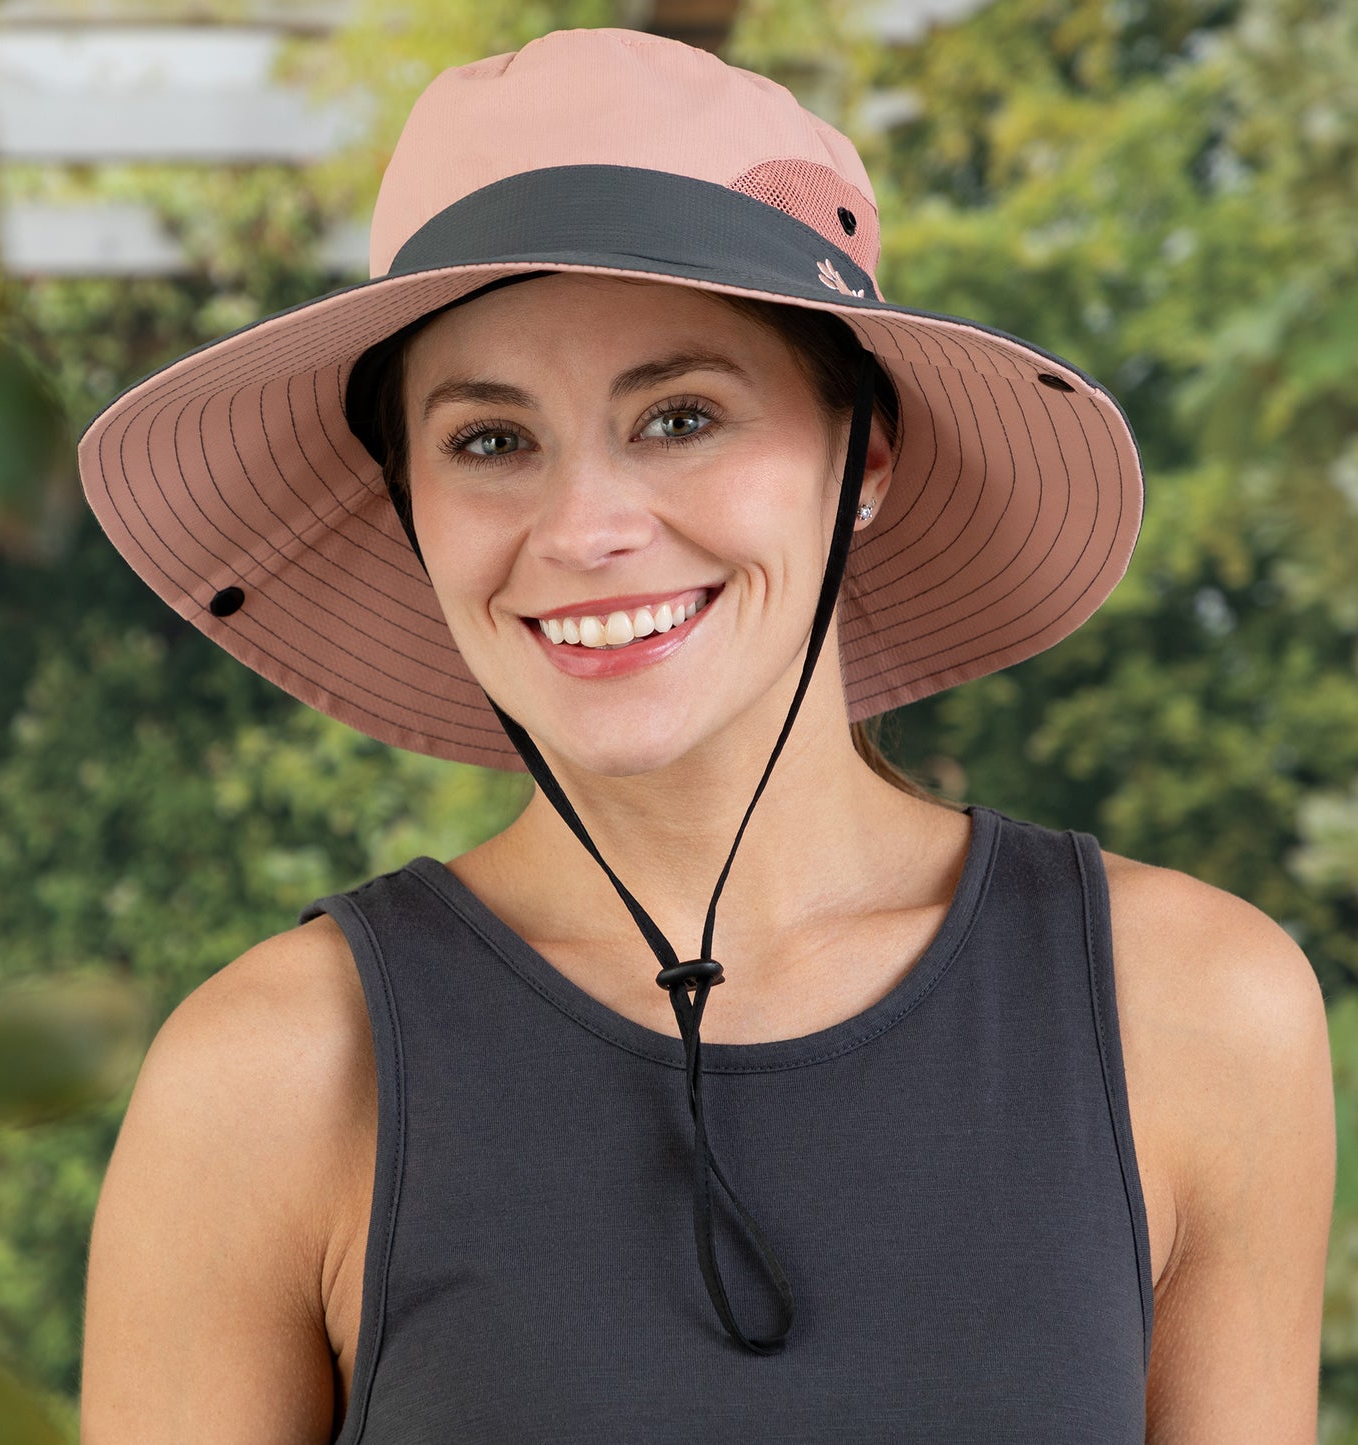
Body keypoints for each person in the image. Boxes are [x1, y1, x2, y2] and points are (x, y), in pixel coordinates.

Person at [75, 27, 1334, 1444]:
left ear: (860, 451)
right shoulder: (273, 1075)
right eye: (490, 440)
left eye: (679, 416)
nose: (586, 530)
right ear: (407, 501)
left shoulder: (1192, 1013)